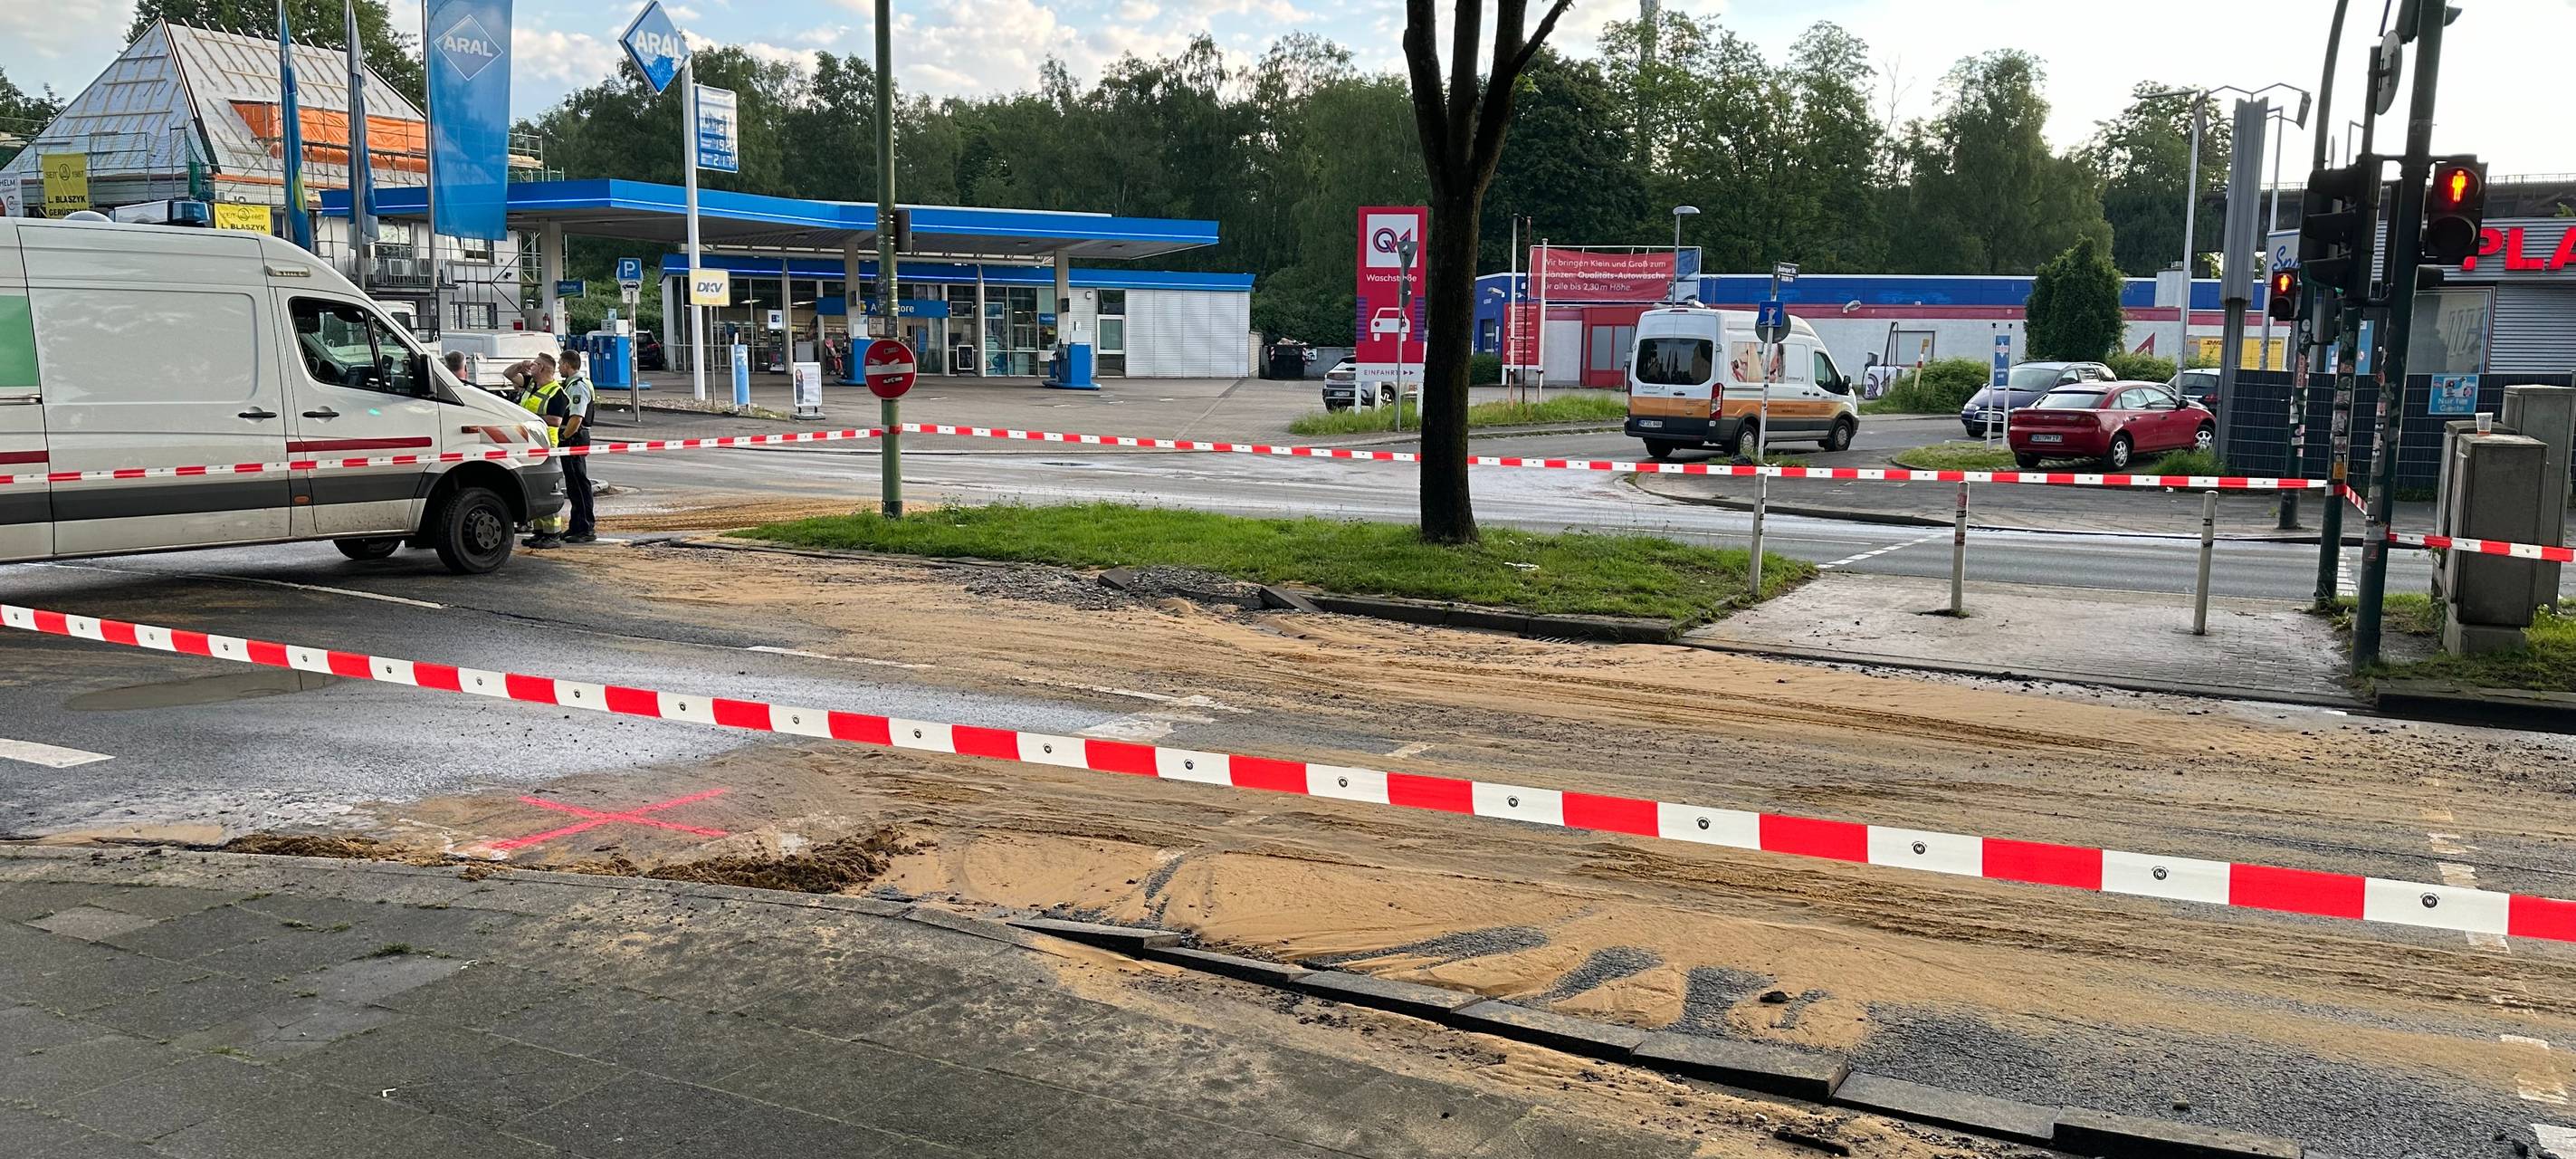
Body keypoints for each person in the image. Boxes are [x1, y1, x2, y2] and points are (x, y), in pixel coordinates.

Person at [504, 353, 572, 549]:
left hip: (545, 445)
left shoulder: (557, 393)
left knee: (545, 488)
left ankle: (552, 534)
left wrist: (527, 418)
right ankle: (540, 531)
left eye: (534, 364)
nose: (531, 367)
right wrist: (520, 364)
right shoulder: (531, 384)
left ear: (541, 368)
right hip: (528, 444)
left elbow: (555, 420)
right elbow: (508, 374)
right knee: (534, 487)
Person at [556, 348, 597, 545]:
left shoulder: (577, 386)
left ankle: (586, 527)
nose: (558, 368)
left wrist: (564, 436)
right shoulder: (576, 383)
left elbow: (576, 418)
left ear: (566, 365)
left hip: (574, 438)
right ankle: (577, 525)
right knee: (574, 484)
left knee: (579, 484)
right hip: (575, 437)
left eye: (559, 364)